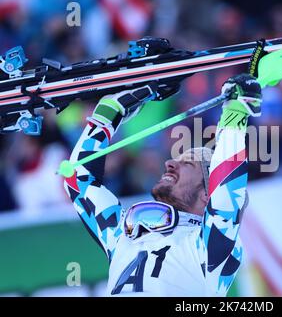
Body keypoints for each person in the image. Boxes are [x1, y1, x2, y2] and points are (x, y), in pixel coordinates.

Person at [63, 73, 262, 296]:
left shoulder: (211, 248)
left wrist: (235, 115)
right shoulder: (125, 234)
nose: (169, 163)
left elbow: (227, 195)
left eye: (188, 163)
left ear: (208, 194)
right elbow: (77, 178)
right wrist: (107, 116)